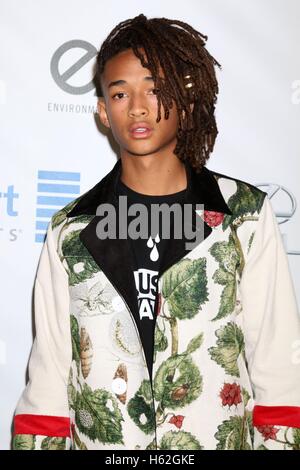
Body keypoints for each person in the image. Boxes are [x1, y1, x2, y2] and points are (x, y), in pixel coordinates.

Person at [13, 13, 300, 450]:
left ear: (184, 101)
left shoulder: (244, 217)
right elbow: (49, 382)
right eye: (120, 93)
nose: (139, 107)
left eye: (154, 88)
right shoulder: (70, 230)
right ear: (102, 112)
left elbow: (280, 372)